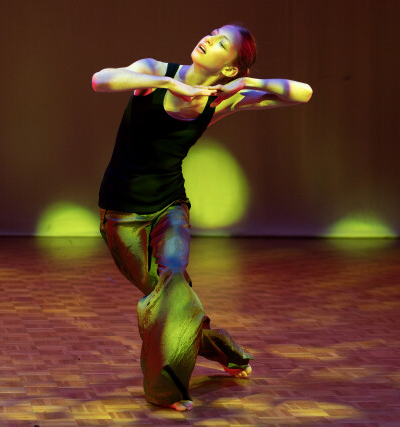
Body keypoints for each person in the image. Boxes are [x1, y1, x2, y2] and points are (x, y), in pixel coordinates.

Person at [92, 24, 312, 412]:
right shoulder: (154, 72)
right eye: (212, 33)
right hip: (120, 213)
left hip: (170, 207)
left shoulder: (220, 101)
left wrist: (247, 84)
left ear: (228, 68)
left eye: (221, 42)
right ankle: (230, 353)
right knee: (171, 301)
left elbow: (303, 93)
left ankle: (168, 390)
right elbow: (100, 80)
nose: (209, 39)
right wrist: (168, 84)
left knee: (173, 287)